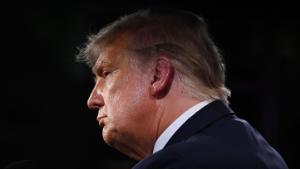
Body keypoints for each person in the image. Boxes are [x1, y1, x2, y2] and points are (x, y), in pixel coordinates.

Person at [77, 7, 289, 169]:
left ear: (158, 76)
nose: (92, 99)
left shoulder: (179, 163)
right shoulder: (261, 152)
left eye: (106, 73)